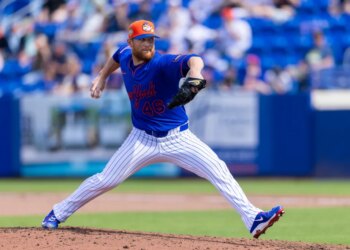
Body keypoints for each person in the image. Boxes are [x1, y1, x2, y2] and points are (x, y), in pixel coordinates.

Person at [41, 19, 284, 239]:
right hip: (141, 139)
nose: (148, 44)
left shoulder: (162, 63)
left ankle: (253, 218)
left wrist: (196, 73)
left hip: (178, 138)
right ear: (131, 42)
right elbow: (115, 56)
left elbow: (193, 59)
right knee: (105, 179)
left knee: (218, 169)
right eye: (142, 40)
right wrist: (102, 77)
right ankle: (57, 213)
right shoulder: (125, 55)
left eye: (151, 39)